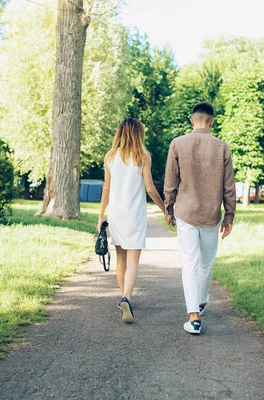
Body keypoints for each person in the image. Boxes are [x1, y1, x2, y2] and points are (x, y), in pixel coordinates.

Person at [164, 102, 236, 334]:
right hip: (211, 213)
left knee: (189, 262)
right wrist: (229, 216)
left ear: (192, 120)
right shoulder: (222, 147)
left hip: (185, 211)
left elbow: (171, 181)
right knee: (206, 262)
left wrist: (169, 207)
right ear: (212, 122)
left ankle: (194, 317)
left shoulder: (177, 144)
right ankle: (201, 302)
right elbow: (229, 187)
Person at [98, 118, 166, 324]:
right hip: (135, 215)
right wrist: (164, 209)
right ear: (139, 134)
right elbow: (150, 188)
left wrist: (101, 216)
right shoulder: (143, 157)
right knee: (133, 260)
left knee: (121, 259)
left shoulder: (109, 157)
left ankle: (123, 299)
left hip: (116, 215)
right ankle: (127, 297)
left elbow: (106, 189)